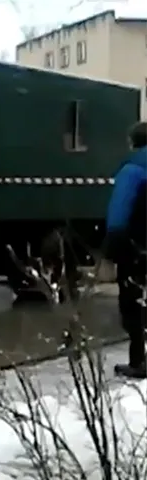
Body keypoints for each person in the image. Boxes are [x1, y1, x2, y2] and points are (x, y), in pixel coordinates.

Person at [103, 121, 147, 379]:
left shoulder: (132, 170)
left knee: (133, 304)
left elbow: (119, 212)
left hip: (137, 248)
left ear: (133, 142)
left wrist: (112, 245)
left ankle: (138, 362)